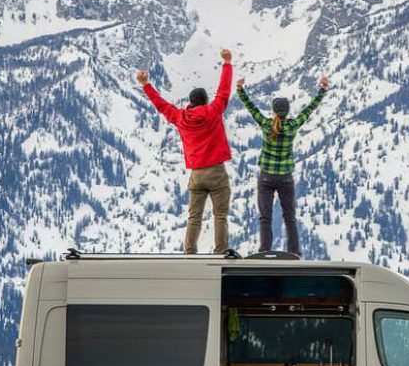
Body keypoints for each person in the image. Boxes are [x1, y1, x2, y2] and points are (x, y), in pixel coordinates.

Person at [136, 49, 233, 255]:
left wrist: (146, 85)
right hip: (216, 171)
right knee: (220, 215)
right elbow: (223, 92)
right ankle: (221, 251)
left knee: (194, 216)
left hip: (196, 174)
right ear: (205, 101)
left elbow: (161, 105)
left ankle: (189, 252)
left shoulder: (180, 117)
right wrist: (226, 64)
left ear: (191, 102)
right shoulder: (213, 111)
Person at [236, 75, 329, 256]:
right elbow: (309, 109)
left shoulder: (266, 124)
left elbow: (251, 108)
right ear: (287, 111)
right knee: (289, 217)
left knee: (265, 217)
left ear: (273, 111)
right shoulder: (293, 125)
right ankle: (295, 252)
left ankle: (264, 250)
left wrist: (240, 90)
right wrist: (322, 90)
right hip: (285, 178)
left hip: (266, 177)